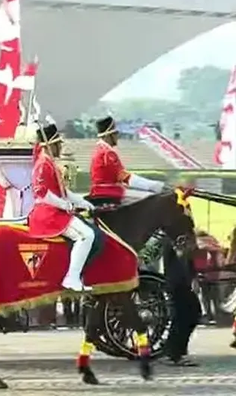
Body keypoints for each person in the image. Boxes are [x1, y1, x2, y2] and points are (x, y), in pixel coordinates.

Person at [27, 119, 95, 291]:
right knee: (86, 235)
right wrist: (66, 206)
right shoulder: (43, 163)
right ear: (49, 145)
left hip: (54, 210)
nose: (60, 148)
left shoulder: (49, 163)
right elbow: (42, 193)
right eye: (58, 144)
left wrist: (82, 201)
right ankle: (71, 278)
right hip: (48, 214)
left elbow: (63, 192)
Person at [89, 115, 165, 206]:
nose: (118, 136)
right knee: (151, 198)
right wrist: (156, 186)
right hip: (109, 192)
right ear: (108, 135)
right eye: (116, 133)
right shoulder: (108, 153)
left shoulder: (101, 149)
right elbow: (126, 178)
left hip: (103, 191)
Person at [162, 236, 201, 366]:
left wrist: (193, 277)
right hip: (177, 283)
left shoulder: (181, 232)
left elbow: (188, 257)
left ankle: (174, 350)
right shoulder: (172, 236)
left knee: (191, 314)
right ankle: (175, 353)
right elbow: (180, 255)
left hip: (183, 281)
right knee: (184, 316)